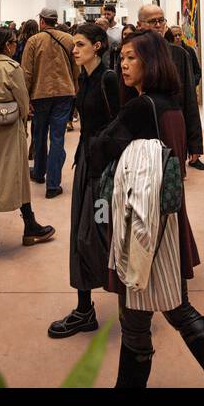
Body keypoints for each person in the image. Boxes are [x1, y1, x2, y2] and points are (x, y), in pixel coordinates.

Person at [89, 30, 204, 388]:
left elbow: (99, 151)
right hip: (162, 215)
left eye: (131, 58)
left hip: (144, 219)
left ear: (150, 62)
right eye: (120, 57)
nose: (123, 64)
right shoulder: (168, 101)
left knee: (169, 310)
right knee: (153, 312)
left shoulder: (141, 107)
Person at [48, 22, 121, 339]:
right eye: (73, 45)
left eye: (80, 44)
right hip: (87, 165)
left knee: (100, 234)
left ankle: (133, 306)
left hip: (104, 170)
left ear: (99, 46)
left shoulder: (108, 78)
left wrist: (101, 154)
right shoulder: (85, 78)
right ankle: (83, 309)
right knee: (83, 233)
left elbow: (121, 124)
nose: (74, 49)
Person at [0, 27, 55, 259]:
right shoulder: (12, 67)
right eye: (15, 42)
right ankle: (30, 226)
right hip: (10, 129)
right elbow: (23, 101)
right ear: (8, 45)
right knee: (17, 176)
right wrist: (25, 119)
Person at [135, 3, 204, 171]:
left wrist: (195, 143)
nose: (158, 25)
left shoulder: (179, 54)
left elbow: (189, 99)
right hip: (140, 127)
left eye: (161, 20)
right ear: (140, 25)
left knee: (172, 181)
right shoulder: (132, 53)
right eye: (152, 21)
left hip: (172, 126)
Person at [21, 8, 78, 198]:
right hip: (64, 92)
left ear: (42, 21)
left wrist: (25, 97)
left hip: (40, 93)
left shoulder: (34, 41)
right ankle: (53, 185)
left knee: (39, 134)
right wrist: (75, 88)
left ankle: (38, 173)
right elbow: (76, 68)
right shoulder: (69, 40)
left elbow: (26, 72)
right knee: (57, 138)